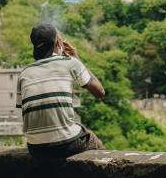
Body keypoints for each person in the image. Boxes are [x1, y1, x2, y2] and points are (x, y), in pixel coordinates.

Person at [17, 23, 106, 159]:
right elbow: (100, 92)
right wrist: (77, 59)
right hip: (65, 144)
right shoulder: (71, 63)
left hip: (35, 149)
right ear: (58, 42)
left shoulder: (24, 73)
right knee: (93, 139)